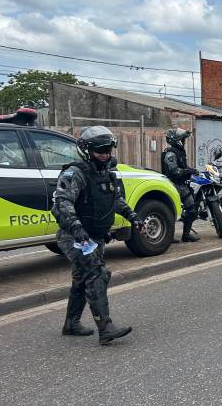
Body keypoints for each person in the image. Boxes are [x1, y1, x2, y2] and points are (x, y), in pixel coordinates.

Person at [52, 126, 144, 345]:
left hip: (96, 236)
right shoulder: (75, 174)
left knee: (82, 280)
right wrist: (77, 230)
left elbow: (115, 200)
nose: (106, 153)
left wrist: (133, 217)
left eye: (108, 149)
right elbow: (62, 204)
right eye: (100, 149)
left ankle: (71, 324)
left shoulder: (106, 173)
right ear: (86, 150)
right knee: (97, 274)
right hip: (74, 237)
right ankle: (106, 328)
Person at [162, 128, 199, 242]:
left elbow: (182, 168)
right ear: (176, 140)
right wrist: (188, 171)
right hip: (172, 185)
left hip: (182, 185)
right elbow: (174, 171)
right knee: (171, 212)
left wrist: (192, 170)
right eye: (182, 139)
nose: (184, 141)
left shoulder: (179, 152)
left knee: (192, 210)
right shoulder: (170, 153)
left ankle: (186, 235)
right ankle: (168, 237)